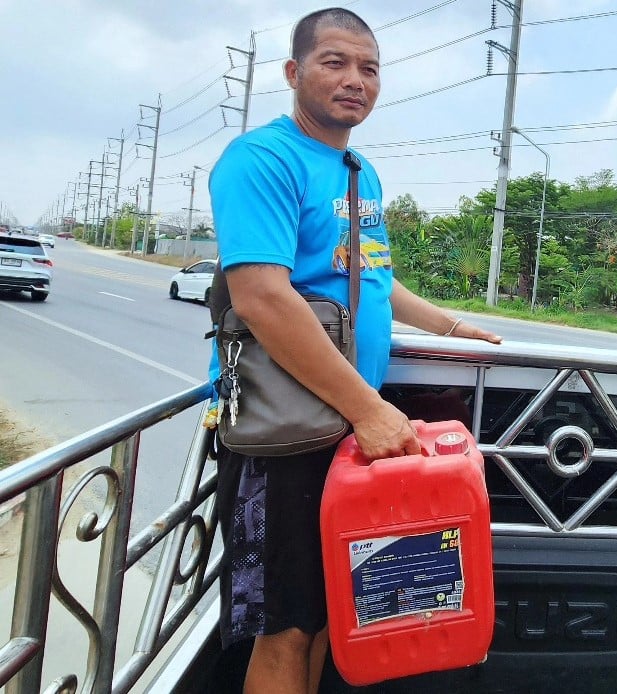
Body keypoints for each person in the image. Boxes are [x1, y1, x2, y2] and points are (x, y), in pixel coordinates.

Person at [207, 9, 501, 694]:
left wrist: (451, 327)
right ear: (293, 72)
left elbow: (372, 275)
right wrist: (370, 410)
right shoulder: (262, 159)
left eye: (369, 68)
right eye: (334, 62)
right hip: (286, 429)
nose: (354, 81)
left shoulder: (356, 170)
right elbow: (261, 296)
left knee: (323, 618)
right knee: (284, 626)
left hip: (342, 421)